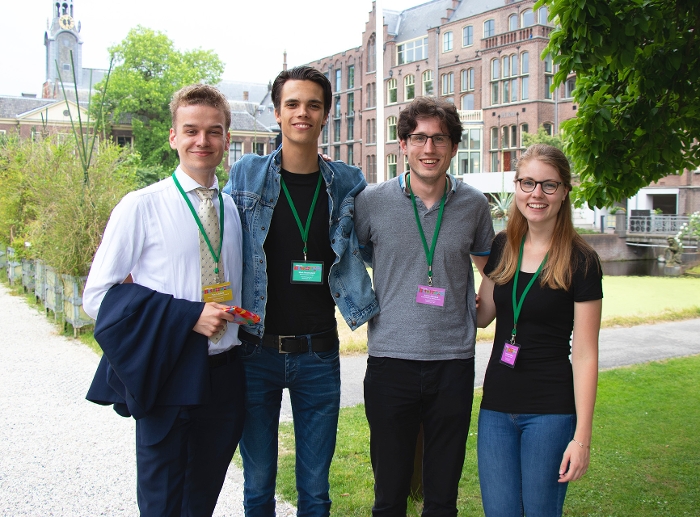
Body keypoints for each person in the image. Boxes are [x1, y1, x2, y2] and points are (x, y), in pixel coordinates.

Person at [223, 65, 378, 517]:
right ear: (276, 112)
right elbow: (216, 242)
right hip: (255, 352)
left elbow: (380, 242)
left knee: (315, 492)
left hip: (318, 355)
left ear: (326, 113)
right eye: (292, 104)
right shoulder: (247, 176)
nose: (302, 113)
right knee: (257, 489)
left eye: (313, 104)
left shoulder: (347, 183)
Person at [83, 84, 245, 517]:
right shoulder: (141, 206)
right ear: (173, 136)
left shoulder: (232, 209)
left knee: (202, 500)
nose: (202, 141)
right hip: (171, 371)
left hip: (227, 375)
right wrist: (187, 316)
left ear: (226, 138)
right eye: (191, 130)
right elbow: (97, 298)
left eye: (214, 131)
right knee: (162, 503)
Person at [354, 96, 495, 516]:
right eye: (418, 138)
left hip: (453, 361)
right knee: (389, 496)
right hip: (390, 361)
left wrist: (481, 311)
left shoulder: (474, 205)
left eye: (439, 139)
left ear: (453, 146)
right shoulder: (371, 202)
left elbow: (492, 269)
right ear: (403, 145)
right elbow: (351, 258)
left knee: (442, 498)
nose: (428, 149)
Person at [476, 143, 603, 517]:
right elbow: (483, 316)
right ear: (516, 187)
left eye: (549, 185)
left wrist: (582, 439)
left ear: (564, 192)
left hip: (550, 412)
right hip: (496, 408)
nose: (537, 194)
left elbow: (584, 354)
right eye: (528, 183)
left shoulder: (581, 260)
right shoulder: (503, 245)